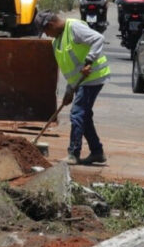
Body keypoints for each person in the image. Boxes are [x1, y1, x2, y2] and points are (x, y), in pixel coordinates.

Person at [34, 11, 111, 165]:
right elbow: (71, 69)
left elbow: (98, 38)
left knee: (77, 113)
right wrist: (70, 90)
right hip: (80, 81)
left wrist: (89, 61)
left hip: (92, 77)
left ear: (51, 25)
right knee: (84, 116)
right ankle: (97, 152)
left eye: (46, 31)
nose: (47, 35)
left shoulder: (74, 27)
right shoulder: (56, 42)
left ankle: (73, 153)